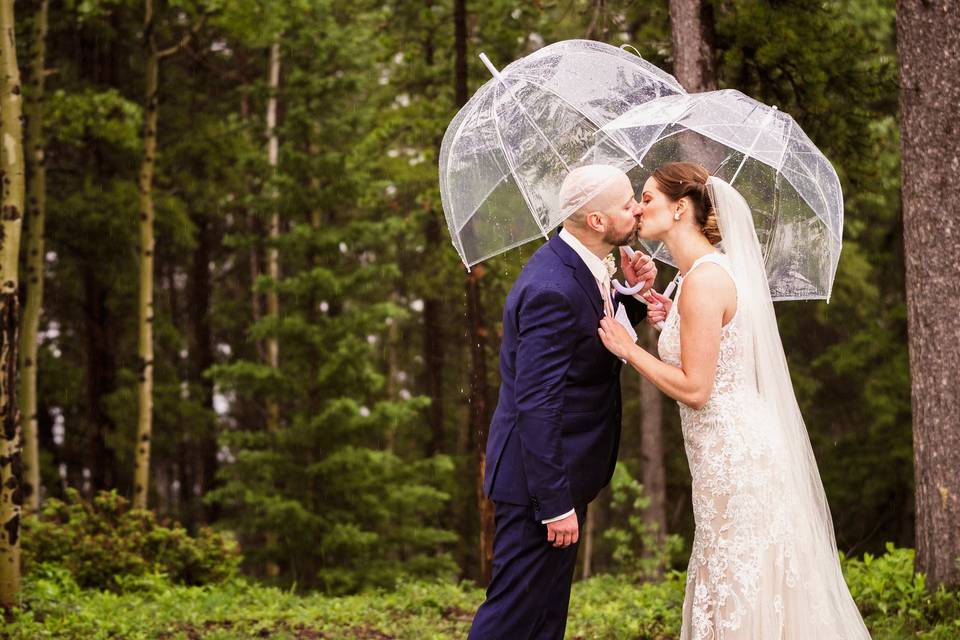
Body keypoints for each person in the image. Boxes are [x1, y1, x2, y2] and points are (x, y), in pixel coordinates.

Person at [598, 162, 870, 639]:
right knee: (735, 575)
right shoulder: (695, 276)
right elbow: (712, 344)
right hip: (724, 454)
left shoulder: (703, 280)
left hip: (735, 457)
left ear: (679, 208)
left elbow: (696, 389)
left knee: (737, 579)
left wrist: (630, 349)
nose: (639, 209)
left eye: (647, 198)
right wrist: (667, 317)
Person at [468, 165, 656, 640]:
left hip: (560, 476)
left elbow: (591, 343)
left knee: (544, 621)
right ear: (596, 221)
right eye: (627, 203)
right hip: (536, 486)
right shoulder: (552, 287)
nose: (636, 208)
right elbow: (536, 404)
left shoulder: (580, 265)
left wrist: (630, 296)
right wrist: (553, 503)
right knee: (511, 619)